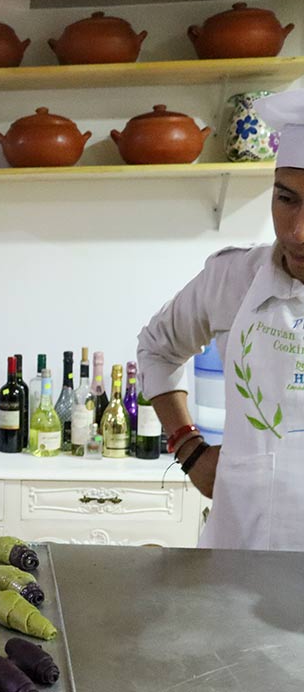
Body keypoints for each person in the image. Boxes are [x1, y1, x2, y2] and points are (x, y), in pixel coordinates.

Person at [137, 88, 304, 551]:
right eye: (286, 199)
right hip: (236, 552)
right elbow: (157, 347)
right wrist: (187, 446)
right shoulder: (232, 278)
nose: (297, 231)